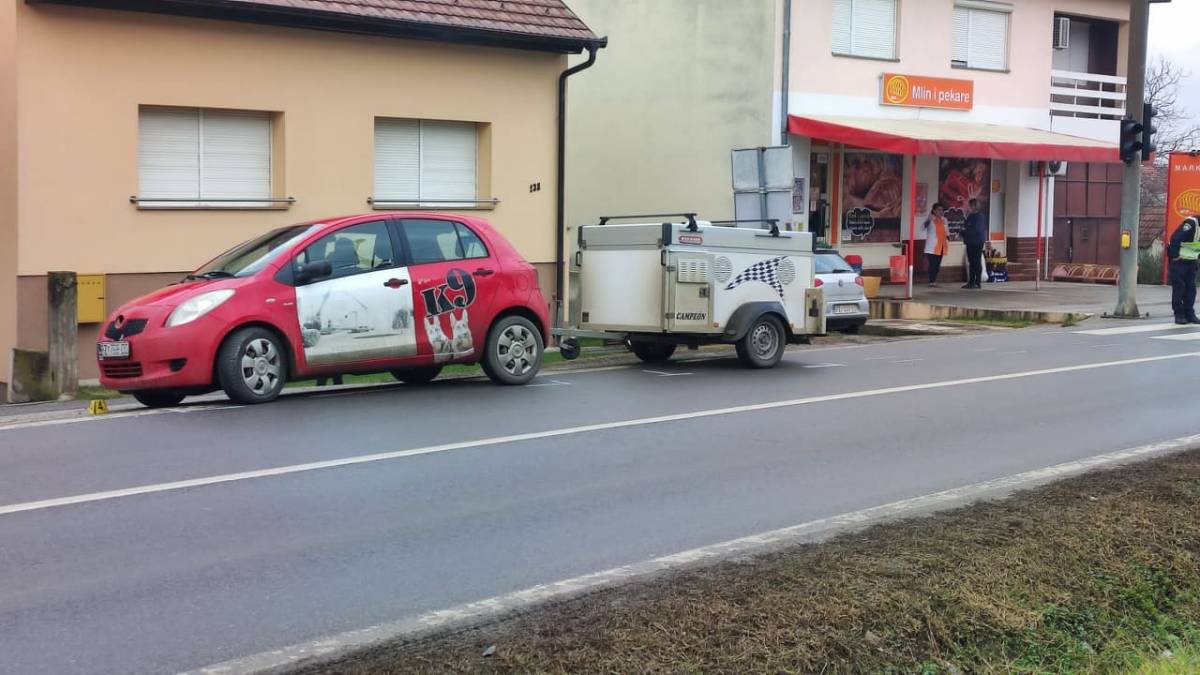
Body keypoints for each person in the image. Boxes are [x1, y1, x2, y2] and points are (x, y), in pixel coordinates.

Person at [1168, 215, 1200, 325]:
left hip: (1192, 261)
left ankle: (1190, 314)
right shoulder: (1191, 224)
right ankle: (1179, 315)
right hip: (1179, 261)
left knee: (1191, 289)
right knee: (1180, 288)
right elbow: (1175, 238)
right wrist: (1174, 255)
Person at [962, 198, 987, 289]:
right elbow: (966, 226)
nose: (968, 207)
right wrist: (961, 232)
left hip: (977, 242)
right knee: (971, 262)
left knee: (976, 262)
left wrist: (966, 231)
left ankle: (977, 282)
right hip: (970, 242)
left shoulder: (980, 217)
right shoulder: (970, 216)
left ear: (973, 206)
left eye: (969, 206)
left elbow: (977, 230)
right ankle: (971, 282)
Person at [923, 203, 949, 286]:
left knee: (937, 265)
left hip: (941, 246)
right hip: (932, 247)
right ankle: (932, 281)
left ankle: (934, 280)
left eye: (942, 210)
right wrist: (928, 220)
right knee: (933, 264)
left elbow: (946, 231)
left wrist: (949, 237)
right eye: (939, 210)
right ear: (934, 210)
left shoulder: (944, 220)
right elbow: (923, 227)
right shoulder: (931, 219)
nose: (941, 212)